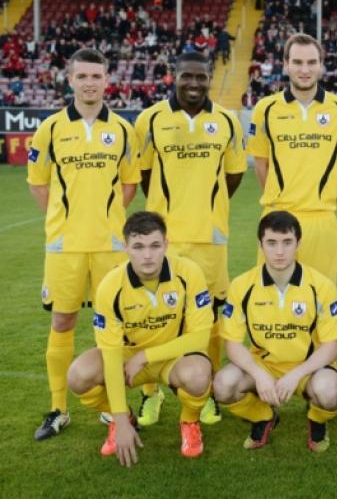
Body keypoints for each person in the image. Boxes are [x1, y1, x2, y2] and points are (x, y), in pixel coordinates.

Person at [27, 48, 141, 441]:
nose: (90, 82)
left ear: (107, 79)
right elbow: (37, 183)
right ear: (70, 79)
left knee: (112, 325)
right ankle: (59, 409)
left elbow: (130, 183)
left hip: (110, 246)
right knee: (63, 321)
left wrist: (107, 220)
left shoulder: (123, 130)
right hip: (65, 247)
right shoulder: (51, 129)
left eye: (97, 76)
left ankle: (113, 406)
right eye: (83, 76)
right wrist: (64, 221)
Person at [133, 51, 246, 426]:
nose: (194, 83)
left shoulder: (228, 121)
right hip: (164, 239)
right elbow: (145, 175)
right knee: (154, 316)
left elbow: (234, 175)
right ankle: (152, 395)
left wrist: (207, 206)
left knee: (210, 319)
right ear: (173, 75)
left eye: (201, 77)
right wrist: (169, 210)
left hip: (210, 238)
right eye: (187, 76)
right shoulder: (150, 120)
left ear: (210, 77)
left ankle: (207, 390)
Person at [67, 211, 213, 465]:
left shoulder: (188, 272)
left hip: (172, 358)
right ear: (126, 248)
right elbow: (111, 355)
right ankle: (119, 420)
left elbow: (200, 337)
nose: (148, 255)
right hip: (127, 359)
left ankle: (189, 420)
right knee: (78, 375)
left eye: (155, 246)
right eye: (138, 247)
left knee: (199, 374)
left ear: (166, 244)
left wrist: (146, 356)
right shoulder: (110, 286)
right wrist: (121, 419)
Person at [213, 211, 337, 452]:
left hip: (308, 368)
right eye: (272, 243)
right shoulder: (242, 285)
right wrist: (258, 373)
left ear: (299, 244)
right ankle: (263, 417)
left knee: (330, 391)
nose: (280, 252)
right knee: (223, 384)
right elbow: (232, 343)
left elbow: (331, 346)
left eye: (287, 243)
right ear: (260, 244)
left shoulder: (321, 286)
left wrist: (297, 374)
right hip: (265, 367)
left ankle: (316, 420)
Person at [247, 33, 337, 283]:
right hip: (276, 219)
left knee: (321, 301)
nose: (305, 69)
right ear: (286, 64)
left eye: (311, 63)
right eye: (297, 62)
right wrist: (280, 200)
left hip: (322, 221)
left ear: (321, 65)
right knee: (272, 303)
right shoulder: (265, 109)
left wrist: (323, 198)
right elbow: (261, 164)